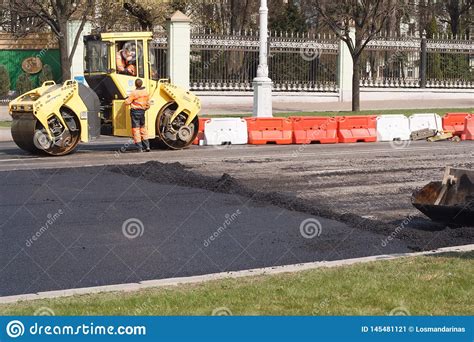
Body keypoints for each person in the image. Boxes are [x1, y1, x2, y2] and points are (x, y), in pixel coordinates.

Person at [125, 79, 151, 152]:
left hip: (135, 112)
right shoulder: (146, 93)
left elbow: (127, 102)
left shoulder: (134, 93)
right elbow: (148, 104)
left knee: (136, 130)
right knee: (143, 129)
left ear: (135, 85)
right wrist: (144, 108)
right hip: (142, 112)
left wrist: (126, 99)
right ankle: (147, 146)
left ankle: (139, 147)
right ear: (141, 84)